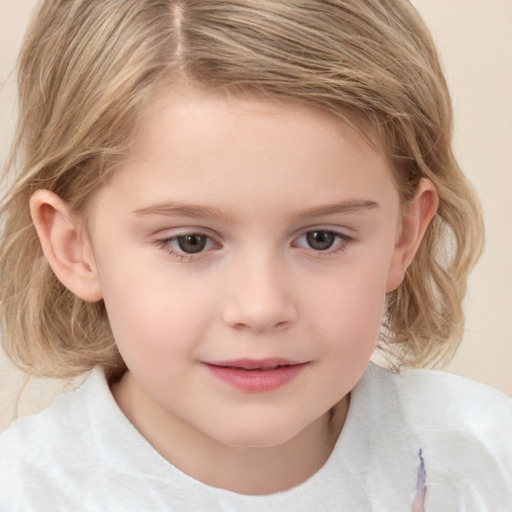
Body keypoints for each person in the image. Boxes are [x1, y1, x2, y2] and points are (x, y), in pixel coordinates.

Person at [0, 0, 510, 510]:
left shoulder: (485, 459)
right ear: (75, 247)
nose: (262, 308)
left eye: (321, 239)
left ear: (404, 237)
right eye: (190, 242)